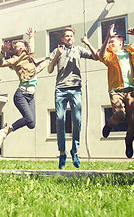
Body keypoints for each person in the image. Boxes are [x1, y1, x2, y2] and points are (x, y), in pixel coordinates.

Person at [83, 24, 134, 158]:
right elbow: (100, 55)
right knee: (120, 115)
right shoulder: (109, 55)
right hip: (116, 90)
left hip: (131, 90)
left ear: (120, 42)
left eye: (112, 41)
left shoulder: (132, 51)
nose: (110, 43)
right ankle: (109, 125)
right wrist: (107, 36)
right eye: (109, 42)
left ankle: (129, 141)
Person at [0, 29, 49, 149]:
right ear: (15, 51)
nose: (20, 48)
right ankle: (4, 131)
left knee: (32, 124)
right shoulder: (15, 60)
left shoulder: (29, 57)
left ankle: (6, 131)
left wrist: (31, 37)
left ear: (25, 48)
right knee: (29, 118)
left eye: (22, 46)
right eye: (17, 47)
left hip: (31, 96)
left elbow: (32, 49)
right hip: (21, 95)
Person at [48, 27, 98, 169]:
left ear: (73, 38)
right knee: (59, 119)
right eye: (66, 36)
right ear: (63, 39)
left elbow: (96, 57)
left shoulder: (78, 49)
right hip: (61, 89)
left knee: (77, 119)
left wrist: (87, 43)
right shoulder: (57, 50)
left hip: (76, 88)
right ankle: (62, 153)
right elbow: (49, 69)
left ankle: (75, 151)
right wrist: (57, 55)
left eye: (71, 36)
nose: (69, 38)